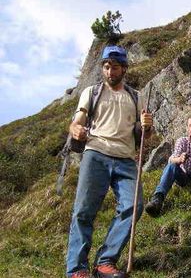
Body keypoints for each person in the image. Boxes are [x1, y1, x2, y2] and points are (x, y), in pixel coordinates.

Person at [66, 45, 153, 278]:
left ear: (124, 68)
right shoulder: (91, 92)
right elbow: (77, 122)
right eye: (106, 66)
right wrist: (76, 130)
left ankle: (105, 263)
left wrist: (147, 125)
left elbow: (145, 136)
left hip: (125, 158)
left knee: (134, 205)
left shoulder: (136, 97)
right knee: (83, 211)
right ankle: (77, 269)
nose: (109, 71)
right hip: (95, 153)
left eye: (114, 67)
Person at [145, 114, 191, 217]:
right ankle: (157, 199)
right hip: (185, 178)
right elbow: (171, 159)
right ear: (187, 128)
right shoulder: (182, 141)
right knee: (171, 166)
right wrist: (180, 159)